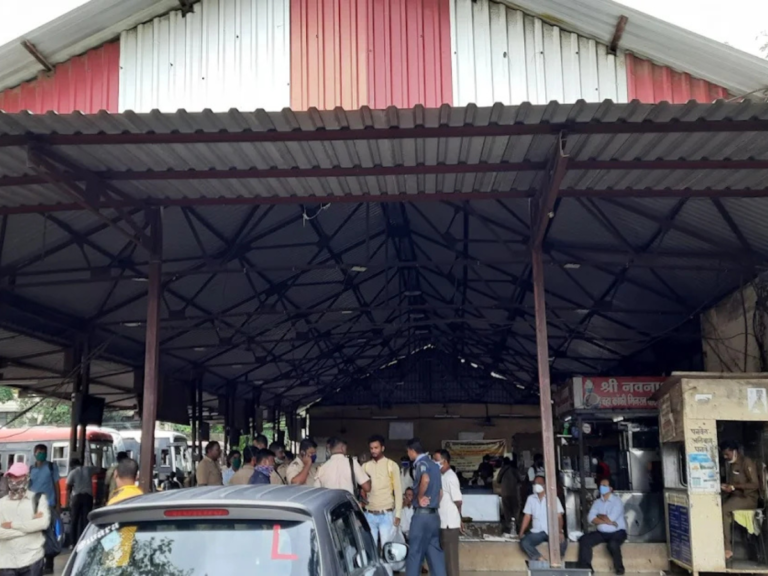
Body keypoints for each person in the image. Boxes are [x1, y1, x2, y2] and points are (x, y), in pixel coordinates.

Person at [0, 462, 51, 576]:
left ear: (27, 477)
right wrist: (28, 530)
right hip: (7, 563)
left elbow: (43, 523)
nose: (14, 480)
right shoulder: (1, 504)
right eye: (11, 476)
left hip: (32, 561)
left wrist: (12, 525)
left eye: (18, 476)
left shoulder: (38, 500)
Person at [405, 438, 446, 576]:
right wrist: (433, 504)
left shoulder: (421, 464)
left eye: (408, 452)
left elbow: (425, 479)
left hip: (421, 517)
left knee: (415, 553)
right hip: (434, 516)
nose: (408, 455)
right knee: (435, 553)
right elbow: (440, 493)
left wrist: (419, 497)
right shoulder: (435, 465)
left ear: (412, 450)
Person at [363, 435, 403, 571]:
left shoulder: (392, 466)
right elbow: (361, 489)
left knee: (387, 552)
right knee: (371, 552)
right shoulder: (365, 467)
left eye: (376, 448)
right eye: (371, 448)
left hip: (387, 514)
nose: (373, 451)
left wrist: (398, 514)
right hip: (369, 515)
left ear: (383, 448)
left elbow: (398, 491)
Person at [578, 478, 627, 575]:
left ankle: (620, 569)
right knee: (584, 540)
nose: (602, 487)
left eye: (604, 486)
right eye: (601, 485)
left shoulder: (617, 502)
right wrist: (605, 520)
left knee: (613, 544)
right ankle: (586, 569)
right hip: (601, 533)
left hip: (617, 532)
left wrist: (599, 516)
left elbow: (611, 519)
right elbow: (590, 518)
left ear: (611, 489)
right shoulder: (597, 502)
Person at [720, 440, 759, 560]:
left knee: (724, 509)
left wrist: (735, 487)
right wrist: (726, 486)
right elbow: (733, 484)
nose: (726, 457)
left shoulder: (746, 462)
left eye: (727, 454)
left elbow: (755, 485)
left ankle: (727, 548)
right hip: (736, 496)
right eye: (724, 455)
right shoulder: (731, 464)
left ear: (734, 451)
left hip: (748, 498)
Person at [518, 475, 567, 564]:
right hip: (537, 532)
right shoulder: (531, 499)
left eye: (540, 483)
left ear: (545, 485)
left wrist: (560, 531)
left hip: (552, 531)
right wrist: (521, 532)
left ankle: (558, 561)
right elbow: (527, 516)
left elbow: (559, 517)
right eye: (535, 483)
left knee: (563, 542)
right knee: (524, 542)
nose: (537, 485)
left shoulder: (553, 498)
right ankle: (540, 559)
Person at [29, 444, 59, 575]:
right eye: (39, 451)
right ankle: (38, 564)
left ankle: (49, 562)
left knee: (48, 534)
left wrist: (59, 503)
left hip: (48, 505)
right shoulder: (31, 469)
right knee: (36, 535)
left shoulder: (51, 467)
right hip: (33, 506)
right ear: (34, 453)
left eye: (43, 452)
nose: (41, 453)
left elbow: (56, 484)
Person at [434, 449, 463, 576]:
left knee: (451, 560)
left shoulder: (451, 477)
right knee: (445, 558)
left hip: (450, 524)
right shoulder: (442, 476)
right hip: (444, 522)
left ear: (444, 461)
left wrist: (459, 518)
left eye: (436, 461)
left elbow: (458, 500)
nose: (435, 463)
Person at [66, 458, 93, 546]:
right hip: (88, 497)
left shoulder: (73, 472)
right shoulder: (88, 469)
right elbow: (99, 469)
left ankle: (72, 543)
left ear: (72, 465)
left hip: (77, 497)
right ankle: (86, 540)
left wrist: (68, 500)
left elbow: (68, 486)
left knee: (74, 520)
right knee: (86, 520)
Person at [495, 456, 520, 535]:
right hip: (514, 493)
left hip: (505, 493)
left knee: (507, 510)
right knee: (515, 509)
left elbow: (498, 480)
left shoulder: (502, 470)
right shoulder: (514, 470)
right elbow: (520, 479)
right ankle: (515, 524)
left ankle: (508, 526)